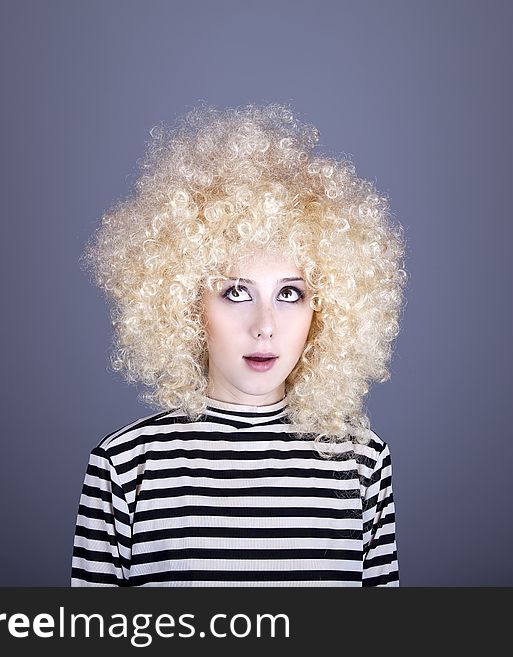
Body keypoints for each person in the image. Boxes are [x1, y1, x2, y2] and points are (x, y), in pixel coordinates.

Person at [72, 103, 407, 586]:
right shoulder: (126, 464)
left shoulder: (360, 461)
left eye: (290, 294)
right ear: (188, 304)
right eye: (236, 292)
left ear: (324, 308)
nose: (265, 325)